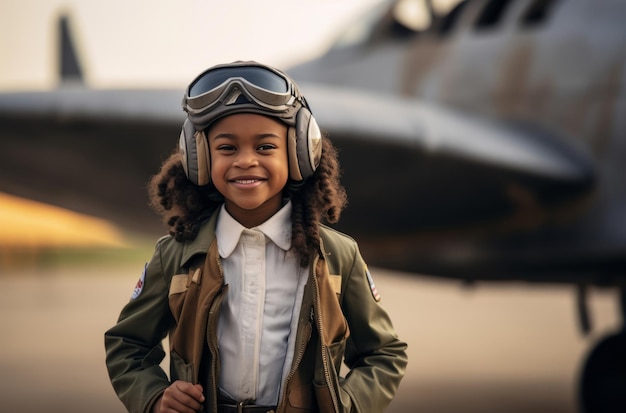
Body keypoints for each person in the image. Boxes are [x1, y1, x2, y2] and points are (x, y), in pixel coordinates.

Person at [105, 61, 407, 413]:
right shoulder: (175, 256)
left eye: (265, 147)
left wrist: (348, 402)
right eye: (227, 148)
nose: (246, 160)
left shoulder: (338, 256)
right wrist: (154, 397)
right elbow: (127, 344)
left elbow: (384, 352)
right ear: (199, 157)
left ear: (298, 153)